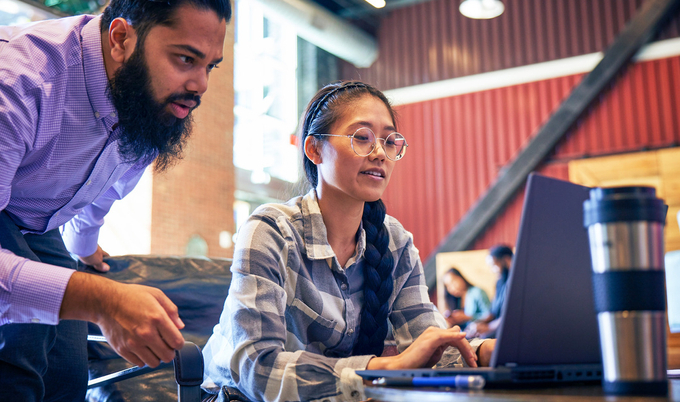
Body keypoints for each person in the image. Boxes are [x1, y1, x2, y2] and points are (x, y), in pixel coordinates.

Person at [202, 81, 495, 402]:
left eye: (389, 141)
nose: (381, 153)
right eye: (362, 138)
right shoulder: (270, 229)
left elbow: (427, 346)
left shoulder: (395, 241)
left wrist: (484, 353)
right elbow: (257, 370)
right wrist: (388, 367)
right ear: (314, 149)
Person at [0, 0, 231, 399]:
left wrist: (84, 248)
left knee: (67, 371)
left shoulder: (144, 102)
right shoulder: (21, 80)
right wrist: (104, 302)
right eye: (185, 58)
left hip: (36, 220)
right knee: (22, 348)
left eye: (209, 66)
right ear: (121, 37)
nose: (200, 85)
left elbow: (100, 190)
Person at [466, 244, 513, 339]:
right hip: (497, 325)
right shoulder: (500, 282)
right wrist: (478, 324)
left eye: (494, 265)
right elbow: (493, 313)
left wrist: (488, 327)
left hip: (507, 328)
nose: (493, 270)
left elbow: (510, 316)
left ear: (507, 260)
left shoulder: (515, 282)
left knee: (481, 339)